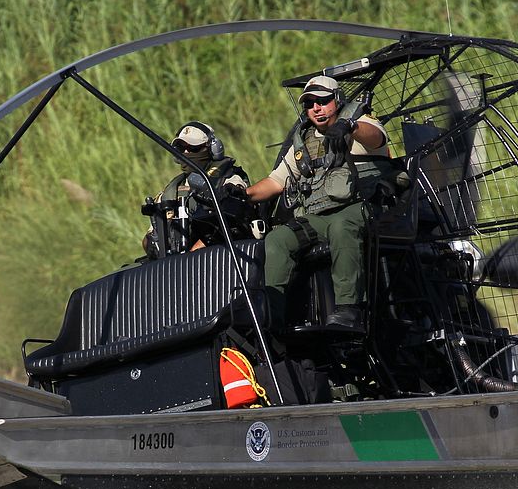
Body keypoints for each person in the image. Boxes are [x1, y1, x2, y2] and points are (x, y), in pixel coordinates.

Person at [246, 75, 390, 333]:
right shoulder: (304, 141)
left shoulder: (358, 123)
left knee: (341, 227)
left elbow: (377, 138)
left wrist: (350, 127)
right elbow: (276, 182)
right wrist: (241, 195)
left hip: (359, 208)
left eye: (323, 101)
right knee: (277, 239)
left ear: (337, 101)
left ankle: (349, 309)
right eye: (310, 103)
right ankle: (272, 316)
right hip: (318, 216)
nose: (316, 108)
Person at [143, 121, 249, 258]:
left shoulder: (229, 180)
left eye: (193, 148)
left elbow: (233, 223)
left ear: (213, 149)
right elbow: (148, 239)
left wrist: (194, 252)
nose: (186, 153)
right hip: (175, 264)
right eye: (181, 148)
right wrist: (154, 242)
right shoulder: (171, 191)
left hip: (220, 258)